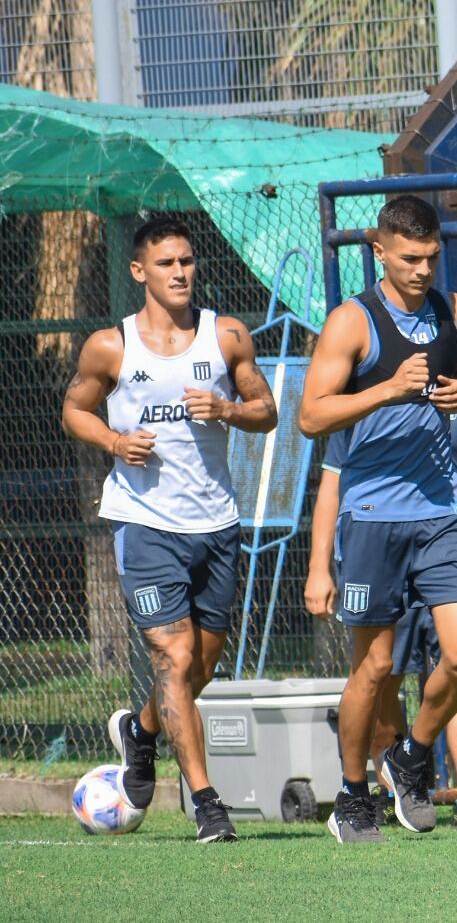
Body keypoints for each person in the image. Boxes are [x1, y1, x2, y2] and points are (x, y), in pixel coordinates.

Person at [63, 216, 278, 844]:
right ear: (139, 272)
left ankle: (142, 732)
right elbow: (75, 408)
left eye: (186, 261)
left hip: (216, 523)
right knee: (173, 656)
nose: (180, 272)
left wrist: (229, 411)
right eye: (166, 264)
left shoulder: (227, 335)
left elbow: (266, 411)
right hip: (143, 522)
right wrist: (114, 439)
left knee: (199, 665)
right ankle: (207, 803)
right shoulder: (111, 346)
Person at [298, 195, 457, 843]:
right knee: (374, 670)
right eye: (410, 259)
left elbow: (455, 382)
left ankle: (411, 755)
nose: (423, 270)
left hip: (441, 510)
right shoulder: (353, 322)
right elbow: (310, 417)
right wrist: (383, 389)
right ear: (380, 251)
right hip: (373, 514)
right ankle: (353, 794)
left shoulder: (451, 309)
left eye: (432, 257)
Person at [305, 377, 457, 831]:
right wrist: (318, 567)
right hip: (379, 540)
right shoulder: (366, 394)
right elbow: (332, 482)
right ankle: (367, 791)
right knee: (380, 671)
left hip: (447, 542)